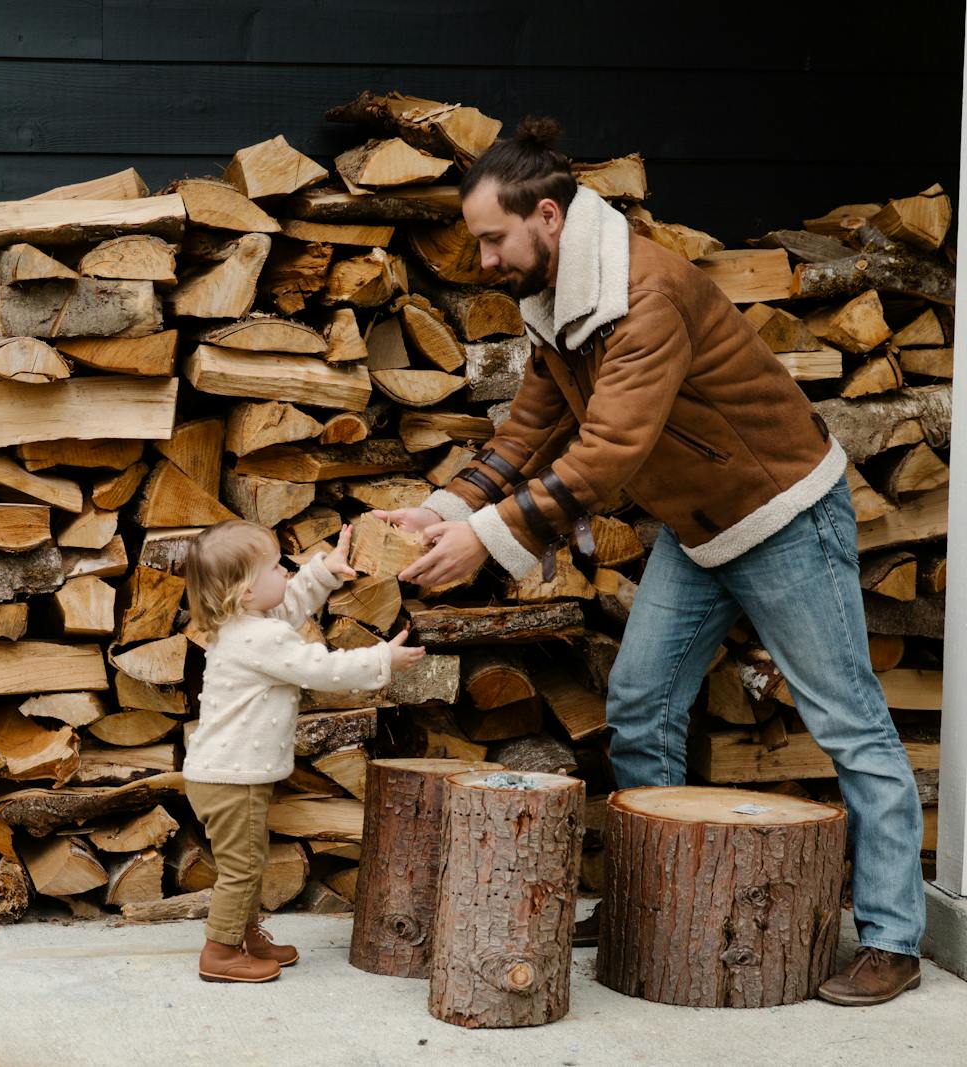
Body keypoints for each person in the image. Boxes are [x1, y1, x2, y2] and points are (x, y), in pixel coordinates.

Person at [375, 117, 925, 1007]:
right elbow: (534, 424)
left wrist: (489, 539)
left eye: (491, 238)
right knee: (638, 699)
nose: (481, 259)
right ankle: (652, 898)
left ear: (548, 216)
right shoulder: (561, 293)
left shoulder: (641, 295)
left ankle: (894, 937)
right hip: (700, 521)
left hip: (780, 514)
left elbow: (606, 453)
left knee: (850, 721)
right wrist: (448, 506)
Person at [181, 520, 426, 983]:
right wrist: (381, 660)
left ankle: (244, 936)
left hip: (224, 775)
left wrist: (326, 572)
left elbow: (288, 608)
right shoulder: (259, 639)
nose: (287, 573)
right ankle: (219, 952)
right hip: (232, 780)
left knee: (248, 861)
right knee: (243, 866)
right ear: (244, 590)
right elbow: (322, 669)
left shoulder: (244, 625)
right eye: (276, 567)